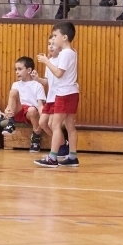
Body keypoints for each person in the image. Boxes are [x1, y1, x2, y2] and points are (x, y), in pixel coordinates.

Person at [35, 22, 80, 168]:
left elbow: (59, 74)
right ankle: (72, 156)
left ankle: (53, 158)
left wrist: (46, 62)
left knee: (55, 125)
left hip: (64, 93)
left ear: (65, 37)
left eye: (55, 36)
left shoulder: (66, 53)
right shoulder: (72, 52)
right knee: (70, 126)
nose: (53, 39)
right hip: (71, 92)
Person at [0, 57, 46, 152]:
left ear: (29, 70)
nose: (17, 72)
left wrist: (42, 120)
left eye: (20, 69)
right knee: (13, 92)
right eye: (16, 69)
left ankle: (35, 138)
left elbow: (41, 106)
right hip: (18, 110)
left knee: (32, 110)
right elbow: (13, 101)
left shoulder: (38, 85)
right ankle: (11, 123)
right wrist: (7, 110)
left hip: (30, 113)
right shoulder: (15, 84)